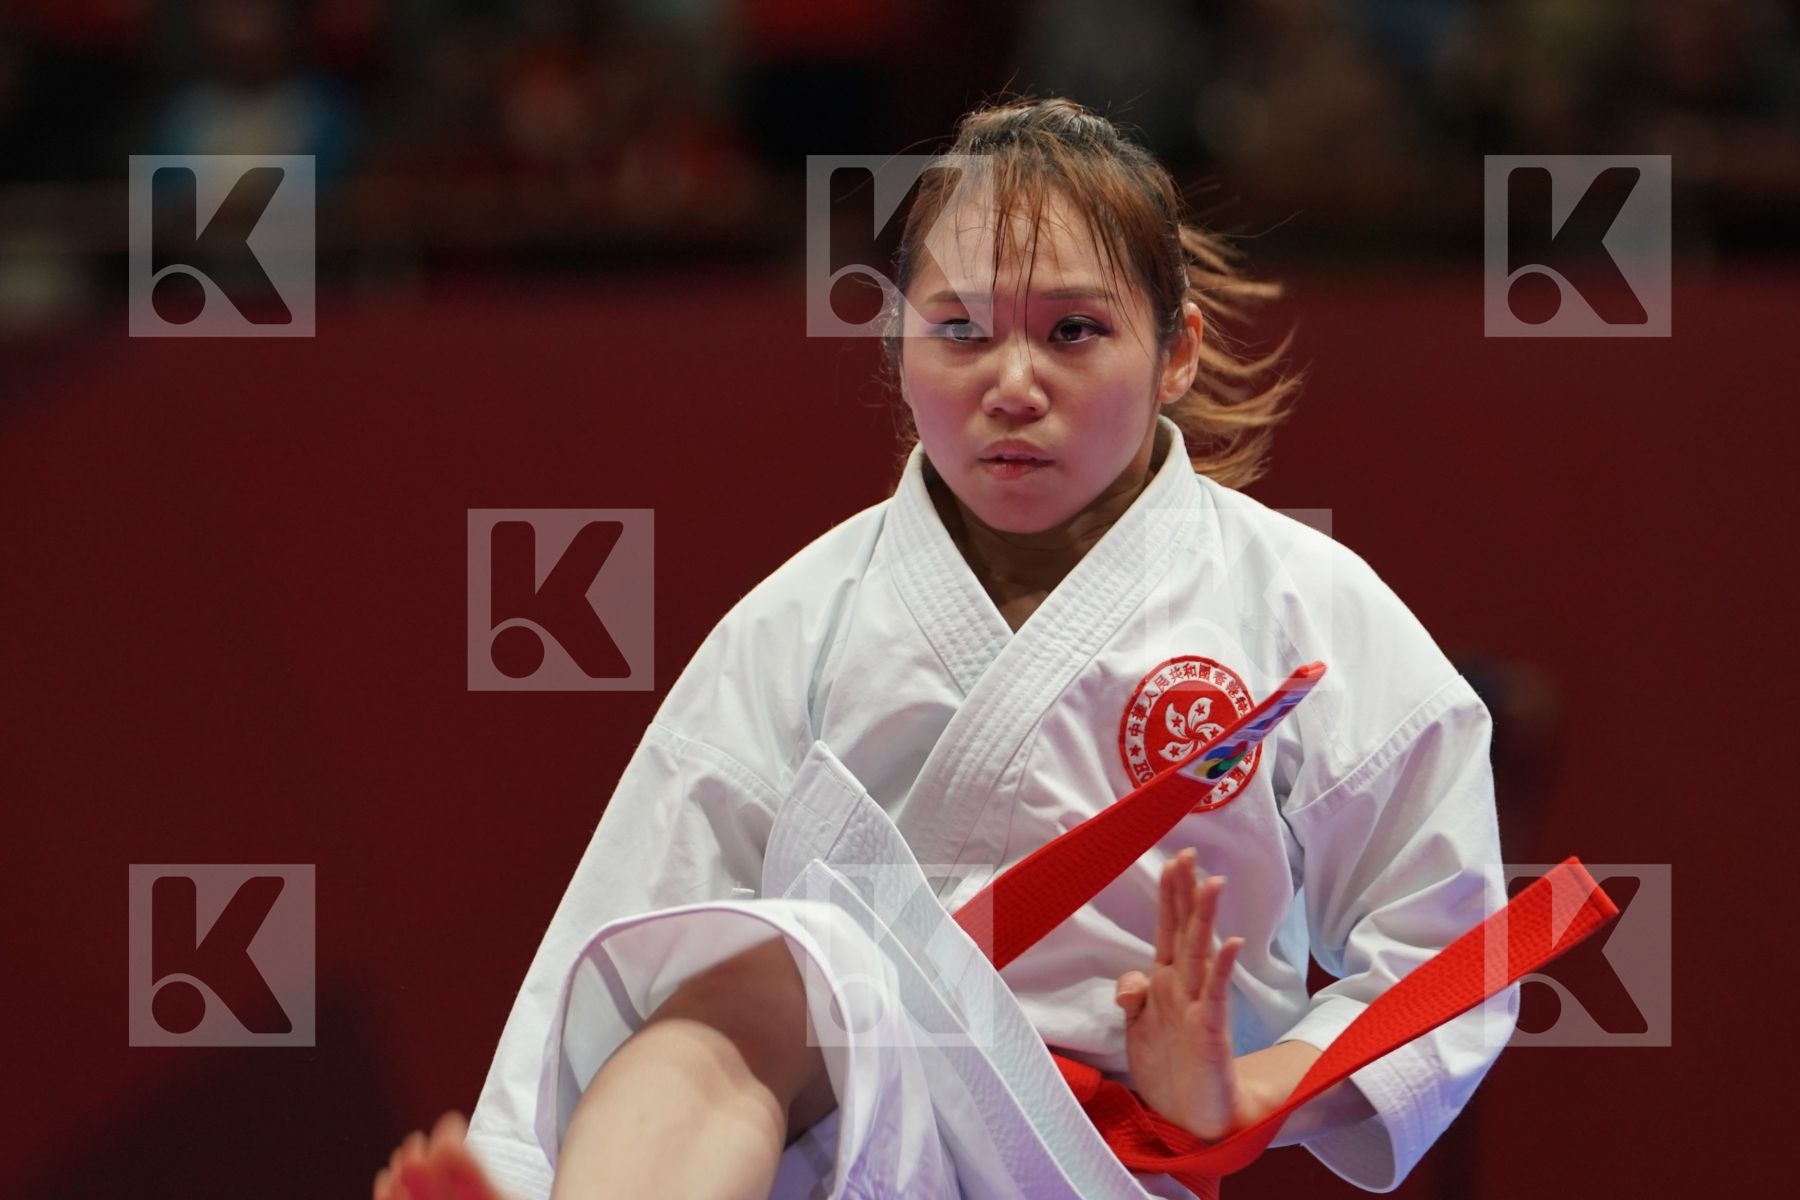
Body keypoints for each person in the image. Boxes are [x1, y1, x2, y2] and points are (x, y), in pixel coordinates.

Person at [373, 95, 1518, 1200]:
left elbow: (1447, 949)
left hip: (1088, 1168)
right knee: (759, 981)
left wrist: (1240, 1093)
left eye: (1074, 331)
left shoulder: (1299, 607)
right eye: (960, 329)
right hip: (835, 1151)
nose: (1012, 385)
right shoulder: (805, 623)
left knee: (792, 972)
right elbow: (630, 917)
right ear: (897, 347)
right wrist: (521, 1172)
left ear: (1177, 353)